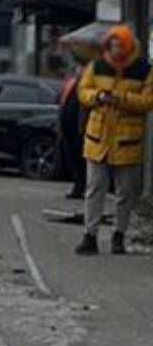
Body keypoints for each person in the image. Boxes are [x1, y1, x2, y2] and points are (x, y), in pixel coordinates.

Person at [76, 26, 153, 256]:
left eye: (120, 46)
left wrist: (122, 99)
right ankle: (90, 236)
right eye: (113, 45)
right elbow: (83, 91)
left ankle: (118, 236)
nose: (116, 50)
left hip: (126, 140)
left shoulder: (144, 70)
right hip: (98, 138)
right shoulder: (98, 65)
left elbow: (147, 101)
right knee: (94, 188)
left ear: (129, 47)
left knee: (125, 193)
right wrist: (97, 96)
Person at [60, 54, 92, 202]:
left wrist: (82, 127)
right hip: (68, 127)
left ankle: (83, 188)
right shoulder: (72, 82)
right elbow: (63, 101)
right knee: (73, 157)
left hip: (80, 128)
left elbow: (85, 106)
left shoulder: (88, 84)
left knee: (82, 159)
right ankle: (78, 187)